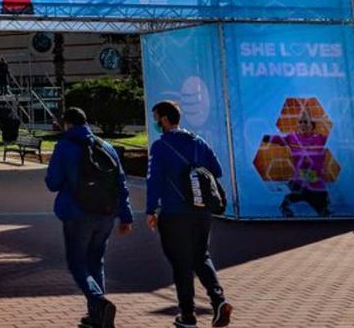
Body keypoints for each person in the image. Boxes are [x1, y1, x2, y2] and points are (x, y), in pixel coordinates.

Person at [146, 100, 233, 328]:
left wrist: (150, 209)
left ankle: (188, 315)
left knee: (181, 263)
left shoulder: (161, 146)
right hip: (201, 211)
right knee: (201, 256)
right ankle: (219, 300)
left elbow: (153, 179)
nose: (155, 122)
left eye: (156, 117)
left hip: (175, 212)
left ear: (164, 119)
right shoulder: (198, 142)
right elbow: (217, 170)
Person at [46, 107, 133, 328]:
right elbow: (121, 183)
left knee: (77, 263)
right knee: (96, 261)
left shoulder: (64, 146)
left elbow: (53, 182)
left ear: (67, 124)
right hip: (106, 214)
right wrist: (126, 215)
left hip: (77, 213)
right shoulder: (106, 147)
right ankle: (96, 315)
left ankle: (98, 302)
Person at [262, 112, 332, 217]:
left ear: (312, 125)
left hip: (316, 185)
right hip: (299, 183)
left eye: (306, 122)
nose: (303, 124)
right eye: (300, 122)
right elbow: (278, 139)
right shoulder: (293, 137)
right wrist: (263, 136)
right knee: (286, 202)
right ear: (298, 125)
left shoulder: (321, 139)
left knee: (323, 212)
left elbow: (334, 139)